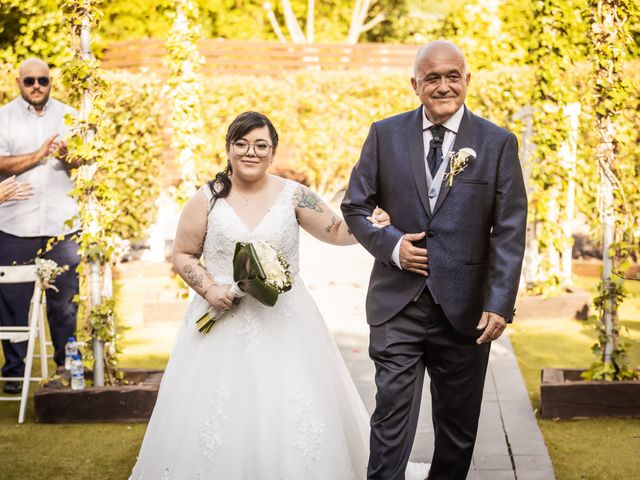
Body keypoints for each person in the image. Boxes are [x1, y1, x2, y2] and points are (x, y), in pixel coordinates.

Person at [129, 111, 429, 480]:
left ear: (272, 152)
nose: (250, 152)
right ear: (228, 149)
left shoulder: (295, 195)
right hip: (222, 320)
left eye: (260, 145)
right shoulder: (207, 198)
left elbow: (335, 230)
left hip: (286, 320)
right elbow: (183, 253)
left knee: (292, 405)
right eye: (241, 144)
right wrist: (209, 288)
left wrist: (369, 224)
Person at [341, 40, 527, 480]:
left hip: (464, 310)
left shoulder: (497, 143)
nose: (443, 86)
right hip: (396, 304)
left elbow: (510, 229)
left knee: (458, 430)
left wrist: (500, 303)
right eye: (432, 78)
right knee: (390, 419)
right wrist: (392, 246)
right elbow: (355, 207)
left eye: (452, 76)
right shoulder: (384, 135)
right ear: (415, 84)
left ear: (467, 80)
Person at [0, 58, 81, 394]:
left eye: (43, 81)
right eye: (30, 80)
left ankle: (66, 367)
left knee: (64, 302)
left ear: (51, 82)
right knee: (12, 302)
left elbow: (85, 160)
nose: (36, 86)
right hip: (14, 225)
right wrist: (38, 154)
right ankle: (15, 373)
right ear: (19, 82)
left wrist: (64, 156)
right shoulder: (4, 117)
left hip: (62, 225)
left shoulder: (70, 115)